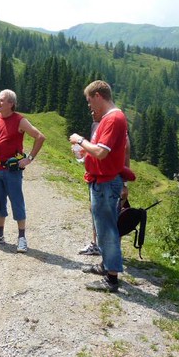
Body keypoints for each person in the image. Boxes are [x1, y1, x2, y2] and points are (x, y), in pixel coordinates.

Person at [69, 80, 128, 292]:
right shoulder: (108, 119)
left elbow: (102, 152)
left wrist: (80, 140)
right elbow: (102, 150)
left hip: (106, 183)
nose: (89, 106)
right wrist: (85, 151)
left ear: (98, 96)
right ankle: (106, 265)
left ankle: (111, 279)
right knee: (103, 228)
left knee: (107, 229)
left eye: (89, 101)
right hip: (101, 181)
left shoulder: (113, 119)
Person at [0, 89, 46, 253]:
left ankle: (22, 239)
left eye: (2, 100)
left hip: (13, 171)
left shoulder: (19, 120)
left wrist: (29, 159)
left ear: (11, 104)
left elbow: (40, 137)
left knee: (17, 202)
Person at [78, 109, 131, 256]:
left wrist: (125, 184)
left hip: (111, 180)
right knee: (95, 211)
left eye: (94, 109)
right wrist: (84, 154)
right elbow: (95, 151)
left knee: (111, 216)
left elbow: (126, 153)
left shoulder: (114, 126)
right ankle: (96, 245)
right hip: (95, 177)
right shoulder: (95, 125)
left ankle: (112, 253)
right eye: (90, 109)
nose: (91, 112)